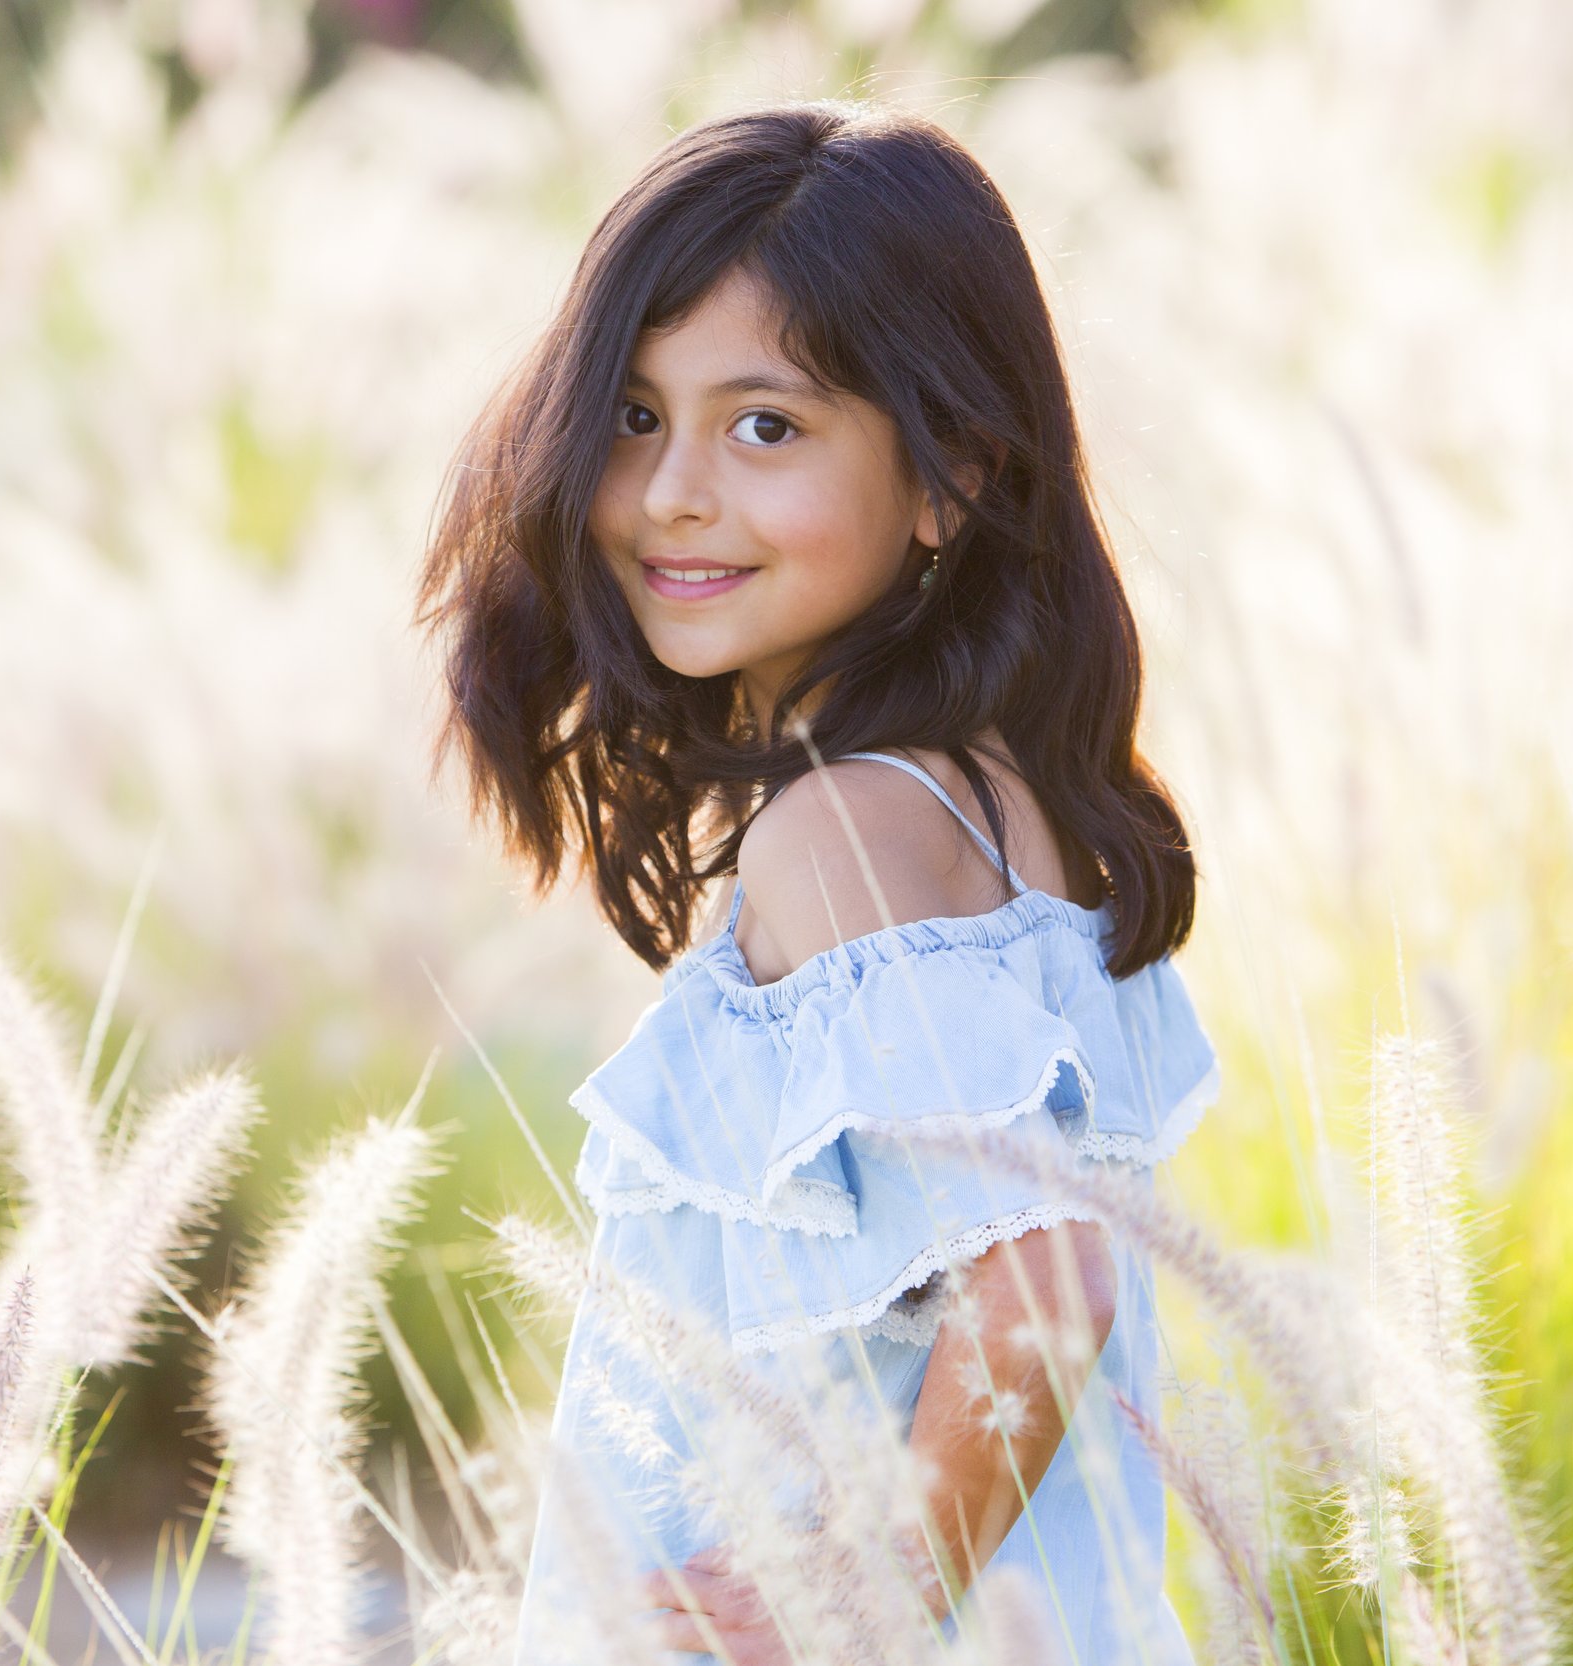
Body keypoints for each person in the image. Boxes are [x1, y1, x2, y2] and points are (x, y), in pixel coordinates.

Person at [415, 97, 1221, 1666]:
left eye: (765, 425)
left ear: (950, 478)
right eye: (635, 416)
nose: (671, 493)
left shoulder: (837, 832)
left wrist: (858, 1588)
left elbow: (1047, 1273)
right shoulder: (997, 807)